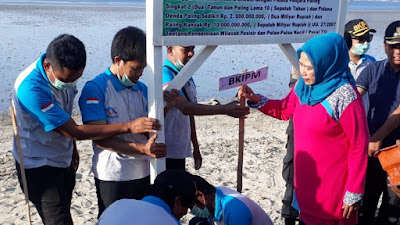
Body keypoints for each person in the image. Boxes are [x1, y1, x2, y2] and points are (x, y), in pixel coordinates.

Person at [12, 34, 163, 225]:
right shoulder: (30, 89)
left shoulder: (65, 70)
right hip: (38, 163)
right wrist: (129, 126)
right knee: (58, 219)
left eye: (77, 79)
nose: (71, 84)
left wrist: (72, 148)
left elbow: (66, 120)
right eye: (66, 80)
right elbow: (73, 131)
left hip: (63, 159)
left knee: (65, 208)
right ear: (48, 66)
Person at [239, 32, 369, 225]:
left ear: (327, 64)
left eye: (310, 67)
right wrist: (256, 99)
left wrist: (354, 191)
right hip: (307, 183)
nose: (304, 72)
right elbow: (284, 110)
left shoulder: (345, 96)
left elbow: (359, 145)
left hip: (335, 189)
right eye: (301, 65)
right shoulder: (303, 87)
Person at [78, 26, 177, 217]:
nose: (140, 73)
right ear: (118, 61)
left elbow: (148, 129)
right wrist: (141, 148)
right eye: (136, 68)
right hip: (114, 175)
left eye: (143, 68)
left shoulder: (142, 89)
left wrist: (168, 106)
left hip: (144, 172)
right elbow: (99, 137)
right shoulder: (95, 89)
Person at [162, 46, 249, 170]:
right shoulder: (165, 74)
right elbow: (185, 107)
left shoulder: (186, 76)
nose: (191, 54)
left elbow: (190, 112)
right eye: (185, 50)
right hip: (166, 149)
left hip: (181, 149)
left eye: (193, 49)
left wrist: (196, 147)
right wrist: (224, 109)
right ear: (170, 50)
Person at [356, 20, 400, 225]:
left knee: (393, 206)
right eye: (393, 45)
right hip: (372, 150)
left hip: (396, 151)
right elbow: (354, 98)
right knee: (366, 202)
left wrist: (377, 137)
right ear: (384, 46)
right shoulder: (372, 70)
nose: (397, 50)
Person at [97, 169, 199, 225]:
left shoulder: (118, 205)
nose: (185, 213)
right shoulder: (169, 221)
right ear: (178, 201)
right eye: (188, 206)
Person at [189, 175, 273, 225]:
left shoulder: (234, 211)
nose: (192, 210)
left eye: (192, 205)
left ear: (201, 195)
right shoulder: (216, 194)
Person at [344, 19, 376, 112]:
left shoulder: (372, 62)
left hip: (365, 118)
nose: (365, 43)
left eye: (368, 38)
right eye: (361, 39)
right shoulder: (338, 64)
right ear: (348, 39)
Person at [282, 67, 300, 225]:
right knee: (292, 168)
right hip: (297, 124)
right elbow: (291, 95)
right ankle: (289, 212)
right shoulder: (299, 60)